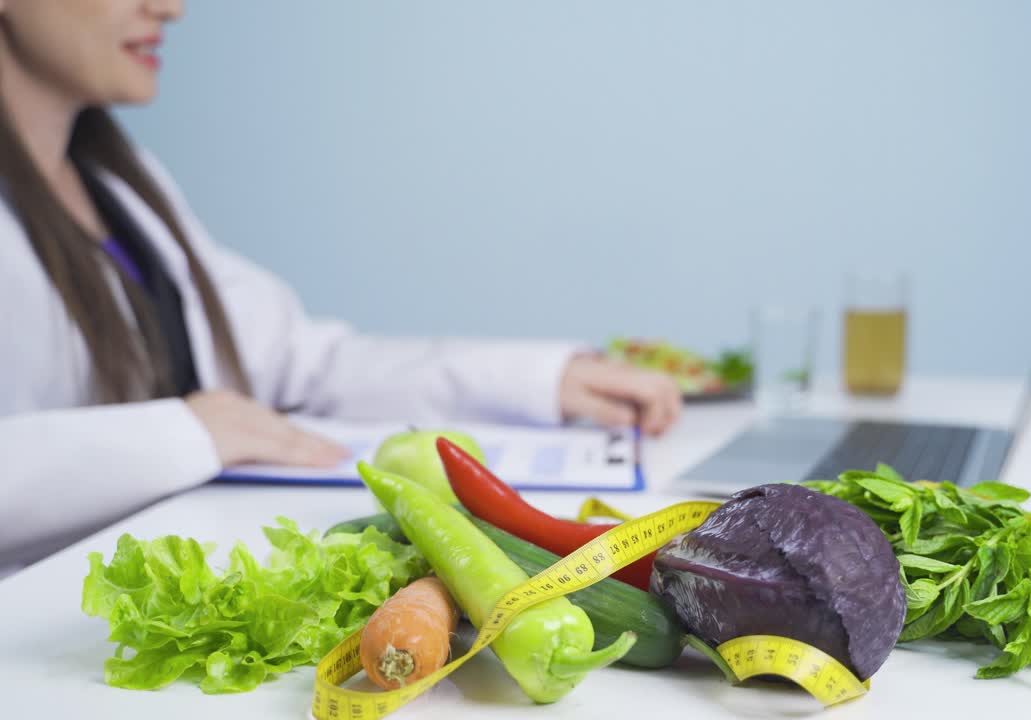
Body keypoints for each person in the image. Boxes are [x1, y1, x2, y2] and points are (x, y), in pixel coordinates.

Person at [0, 0, 682, 568]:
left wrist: (543, 379)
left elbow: (300, 360)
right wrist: (187, 432)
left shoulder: (122, 184)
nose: (170, 8)